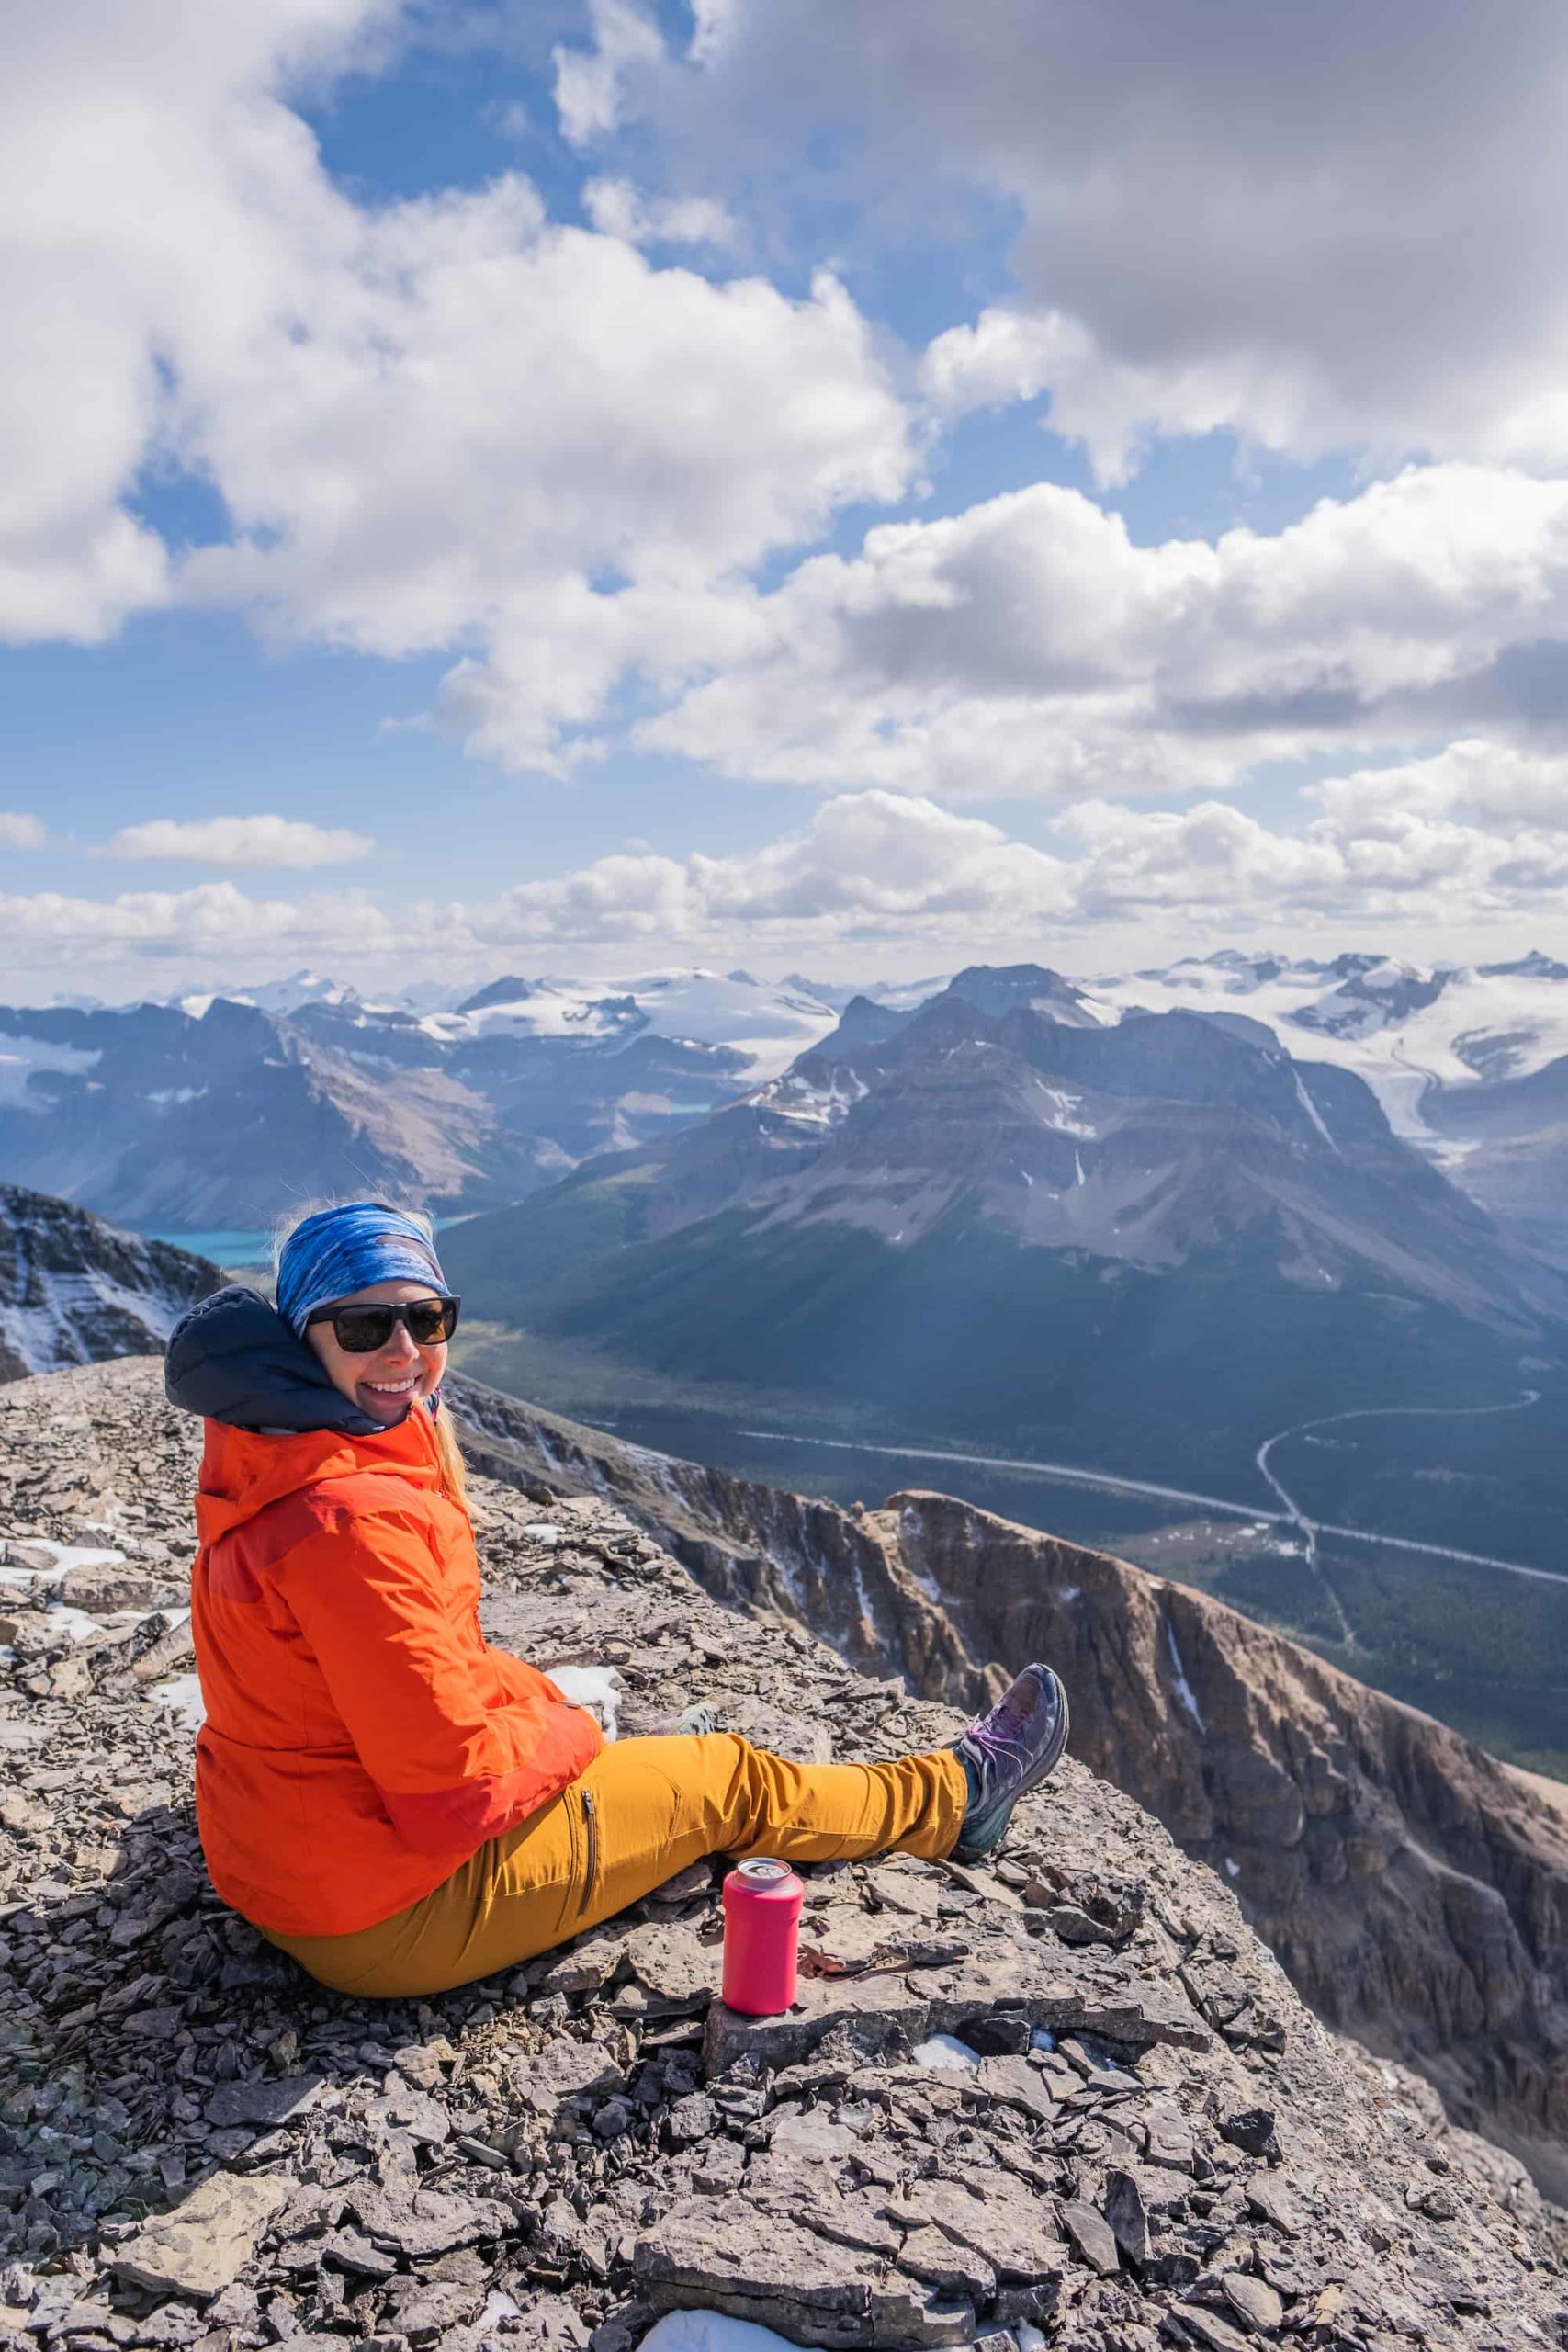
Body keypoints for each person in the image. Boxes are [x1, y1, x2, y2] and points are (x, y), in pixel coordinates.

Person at [164, 1200, 1070, 2000]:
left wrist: (528, 1704)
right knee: (727, 1778)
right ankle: (955, 1800)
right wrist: (575, 1735)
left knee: (542, 1704)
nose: (404, 1351)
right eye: (363, 1327)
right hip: (383, 1915)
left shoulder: (275, 1449)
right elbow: (456, 1799)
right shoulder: (350, 1521)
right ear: (303, 1336)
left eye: (426, 1318)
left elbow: (386, 1661)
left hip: (285, 1855)